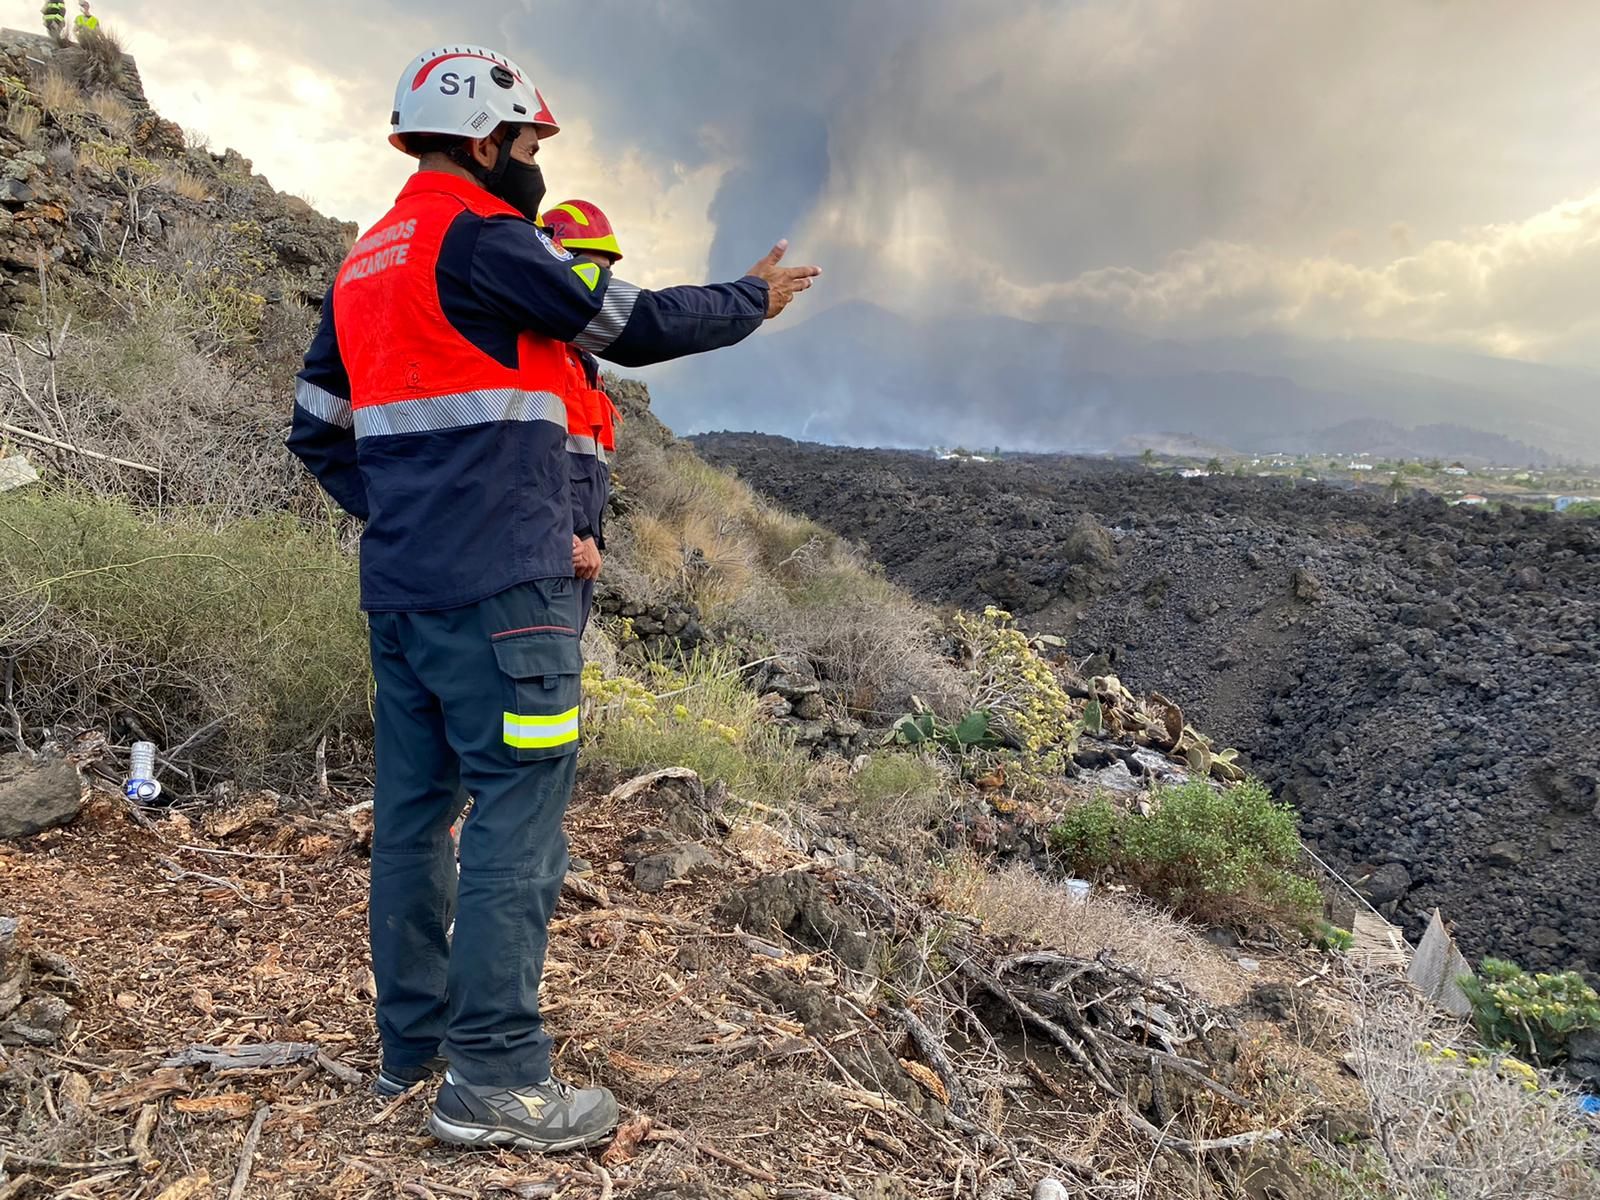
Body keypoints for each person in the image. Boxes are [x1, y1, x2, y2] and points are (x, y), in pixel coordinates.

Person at [286, 43, 818, 1154]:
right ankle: (495, 1081)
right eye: (528, 145)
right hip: (507, 603)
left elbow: (315, 430)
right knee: (518, 825)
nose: (532, 165)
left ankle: (413, 1047)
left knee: (413, 821)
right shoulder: (483, 238)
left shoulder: (366, 263)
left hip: (405, 598)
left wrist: (406, 515)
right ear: (486, 141)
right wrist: (750, 301)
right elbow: (628, 324)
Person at [542, 199, 625, 635]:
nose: (600, 285)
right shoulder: (543, 352)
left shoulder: (584, 362)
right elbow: (540, 453)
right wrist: (577, 534)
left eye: (605, 273)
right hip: (559, 547)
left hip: (578, 551)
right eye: (592, 272)